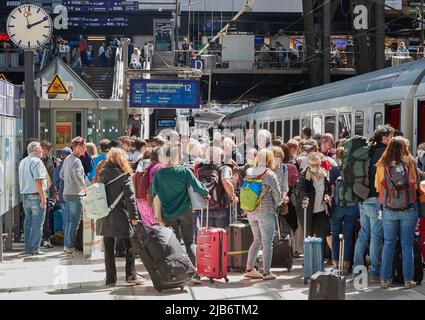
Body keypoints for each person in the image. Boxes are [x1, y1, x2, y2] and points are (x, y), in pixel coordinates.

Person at [152, 143, 209, 283]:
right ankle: (195, 273)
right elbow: (197, 186)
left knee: (175, 243)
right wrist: (206, 193)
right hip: (185, 211)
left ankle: (179, 272)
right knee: (190, 242)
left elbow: (155, 193)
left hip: (168, 212)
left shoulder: (158, 174)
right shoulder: (184, 171)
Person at [376, 137, 420, 289]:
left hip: (389, 208)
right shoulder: (410, 161)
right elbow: (416, 182)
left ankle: (384, 279)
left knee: (388, 243)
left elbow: (378, 185)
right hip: (409, 207)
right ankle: (408, 280)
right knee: (407, 244)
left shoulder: (382, 163)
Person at [97, 147, 145, 286]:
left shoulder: (102, 173)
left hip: (105, 214)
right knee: (130, 244)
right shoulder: (124, 175)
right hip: (121, 215)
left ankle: (110, 279)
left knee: (108, 247)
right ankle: (131, 276)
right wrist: (134, 216)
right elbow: (130, 198)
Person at [353, 125, 394, 281]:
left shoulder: (368, 151)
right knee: (376, 235)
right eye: (390, 137)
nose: (392, 139)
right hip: (376, 199)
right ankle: (375, 271)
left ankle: (358, 268)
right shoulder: (383, 154)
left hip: (362, 198)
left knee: (363, 233)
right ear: (384, 138)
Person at [243, 149, 282, 280]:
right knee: (267, 242)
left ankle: (249, 268)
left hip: (250, 210)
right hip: (265, 210)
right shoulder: (269, 173)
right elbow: (277, 193)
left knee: (257, 240)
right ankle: (266, 272)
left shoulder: (249, 171)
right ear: (270, 159)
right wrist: (277, 205)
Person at [329, 146, 359, 273]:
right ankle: (346, 264)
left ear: (339, 158)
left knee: (335, 234)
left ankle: (336, 262)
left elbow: (332, 191)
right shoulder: (355, 171)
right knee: (348, 235)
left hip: (338, 207)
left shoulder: (334, 170)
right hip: (352, 207)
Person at [19, 141, 49, 255]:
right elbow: (38, 181)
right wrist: (43, 197)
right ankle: (34, 248)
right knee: (37, 223)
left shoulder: (23, 161)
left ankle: (28, 247)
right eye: (40, 148)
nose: (42, 150)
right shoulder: (37, 161)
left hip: (25, 195)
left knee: (28, 222)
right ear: (35, 150)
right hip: (36, 195)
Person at [299, 152, 332, 257]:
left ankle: (319, 260)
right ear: (308, 163)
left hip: (321, 210)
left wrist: (327, 195)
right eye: (312, 165)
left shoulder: (324, 174)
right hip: (309, 211)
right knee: (309, 236)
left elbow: (327, 190)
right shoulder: (305, 175)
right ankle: (309, 259)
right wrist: (305, 198)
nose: (314, 167)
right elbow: (302, 190)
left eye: (316, 164)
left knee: (321, 237)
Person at [198, 146, 238, 228]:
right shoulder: (223, 168)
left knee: (207, 235)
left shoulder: (200, 170)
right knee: (222, 235)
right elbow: (226, 182)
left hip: (205, 207)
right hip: (221, 206)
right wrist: (233, 196)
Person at [60, 137, 87, 255]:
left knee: (70, 222)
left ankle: (67, 246)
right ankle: (70, 247)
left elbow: (61, 174)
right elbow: (79, 177)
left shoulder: (67, 159)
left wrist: (68, 182)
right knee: (74, 223)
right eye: (83, 147)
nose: (85, 149)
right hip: (76, 194)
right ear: (77, 147)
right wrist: (85, 188)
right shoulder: (76, 161)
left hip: (66, 193)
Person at [134, 147, 163, 226]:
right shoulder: (159, 167)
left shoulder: (146, 165)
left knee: (148, 229)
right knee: (158, 229)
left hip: (141, 199)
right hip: (151, 201)